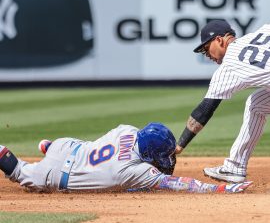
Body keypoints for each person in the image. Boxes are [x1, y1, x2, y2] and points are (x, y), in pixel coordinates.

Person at [0, 122, 251, 193]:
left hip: (68, 146)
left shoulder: (128, 130)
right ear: (152, 154)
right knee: (20, 173)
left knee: (84, 147)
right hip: (55, 177)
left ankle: (49, 147)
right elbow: (180, 184)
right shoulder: (134, 172)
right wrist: (220, 189)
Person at [176, 19, 270, 183]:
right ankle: (235, 167)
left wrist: (180, 145)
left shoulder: (229, 65)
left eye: (206, 49)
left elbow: (204, 110)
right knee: (257, 104)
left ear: (219, 40)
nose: (207, 55)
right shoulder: (262, 32)